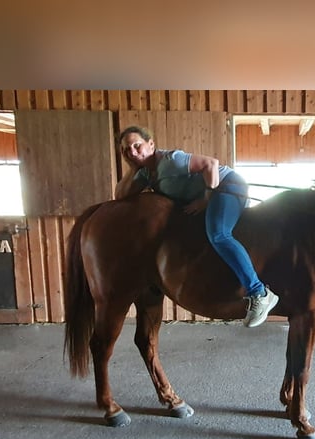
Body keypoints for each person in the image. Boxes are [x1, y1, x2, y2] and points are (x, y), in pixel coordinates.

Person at [115, 125, 278, 328]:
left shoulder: (171, 161)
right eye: (126, 149)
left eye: (137, 146)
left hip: (226, 185)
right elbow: (120, 195)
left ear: (151, 145)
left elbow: (211, 164)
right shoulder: (146, 174)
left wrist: (206, 198)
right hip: (209, 193)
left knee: (219, 234)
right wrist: (133, 168)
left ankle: (259, 293)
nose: (132, 152)